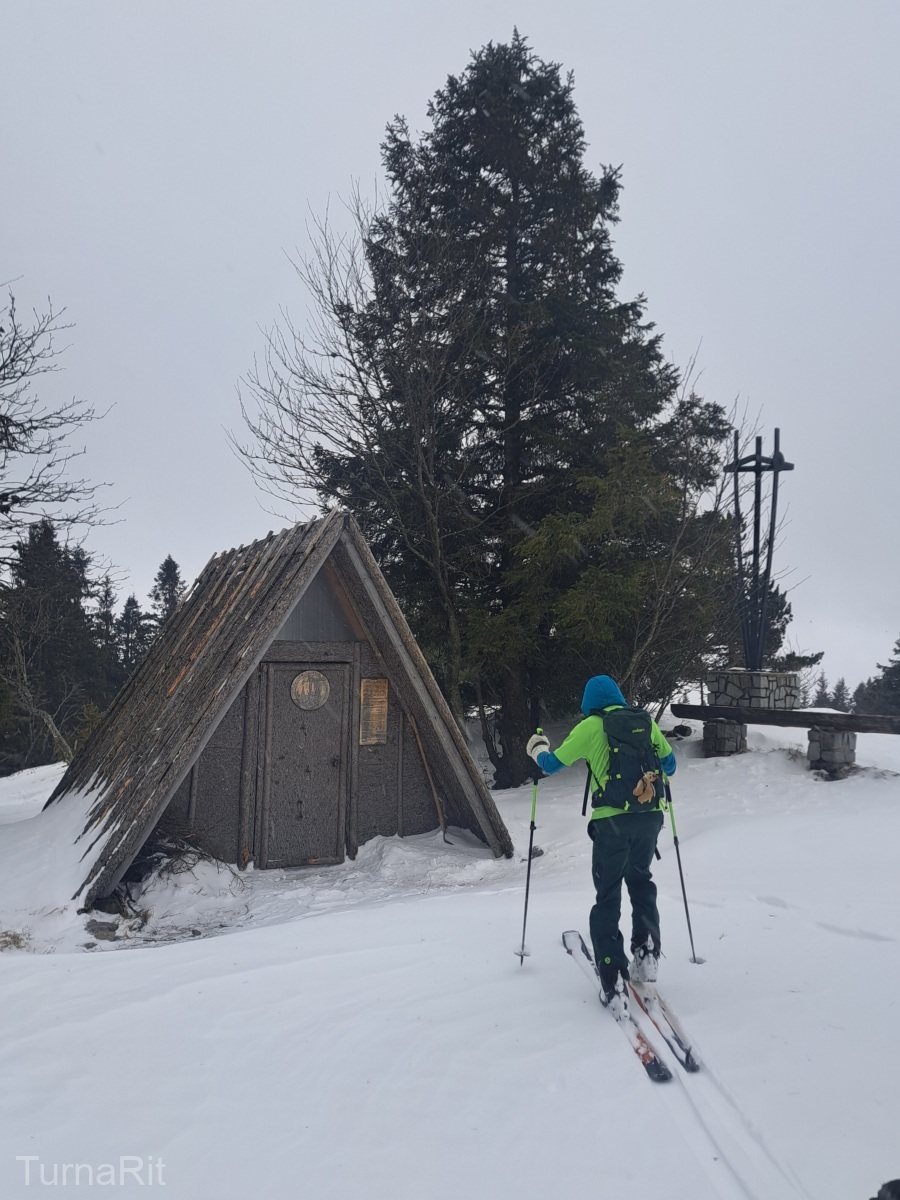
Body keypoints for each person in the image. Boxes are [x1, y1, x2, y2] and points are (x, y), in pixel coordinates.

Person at [526, 674, 676, 1017]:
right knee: (641, 880)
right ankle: (647, 950)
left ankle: (613, 979)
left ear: (588, 703)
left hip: (612, 823)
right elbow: (670, 765)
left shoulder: (591, 727)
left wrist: (537, 749)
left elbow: (551, 765)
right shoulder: (645, 723)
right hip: (649, 818)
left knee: (608, 894)